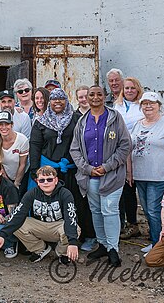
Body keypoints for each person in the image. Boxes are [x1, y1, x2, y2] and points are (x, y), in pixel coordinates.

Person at [69, 85, 131, 267]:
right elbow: (75, 149)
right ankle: (102, 244)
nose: (95, 98)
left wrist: (107, 166)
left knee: (110, 211)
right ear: (86, 98)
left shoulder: (114, 118)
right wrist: (87, 168)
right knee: (96, 211)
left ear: (105, 97)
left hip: (111, 176)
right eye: (91, 95)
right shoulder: (82, 122)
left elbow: (125, 145)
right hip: (89, 177)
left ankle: (113, 249)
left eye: (99, 94)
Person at [30, 88, 96, 251]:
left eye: (61, 99)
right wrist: (34, 169)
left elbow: (86, 142)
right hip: (49, 170)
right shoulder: (41, 121)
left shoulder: (77, 119)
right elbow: (35, 145)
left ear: (66, 101)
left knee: (77, 202)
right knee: (52, 205)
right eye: (54, 99)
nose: (57, 102)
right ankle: (54, 238)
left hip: (73, 170)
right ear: (49, 102)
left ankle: (87, 236)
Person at [0, 165, 80, 265]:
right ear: (37, 181)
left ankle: (63, 253)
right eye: (42, 180)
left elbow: (70, 217)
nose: (46, 183)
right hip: (39, 225)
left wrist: (72, 243)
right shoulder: (32, 193)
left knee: (75, 228)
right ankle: (40, 249)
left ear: (56, 180)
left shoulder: (65, 194)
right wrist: (2, 235)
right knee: (17, 223)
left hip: (58, 226)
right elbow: (18, 214)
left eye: (49, 179)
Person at [129, 92, 164, 253]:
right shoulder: (138, 124)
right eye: (145, 103)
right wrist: (129, 172)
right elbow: (130, 148)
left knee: (154, 210)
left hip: (159, 175)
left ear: (159, 105)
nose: (148, 106)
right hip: (140, 174)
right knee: (147, 210)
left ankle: (159, 245)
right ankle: (156, 240)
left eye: (152, 103)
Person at [114, 76, 144, 241]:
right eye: (127, 88)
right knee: (127, 189)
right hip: (122, 153)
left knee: (143, 189)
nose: (130, 91)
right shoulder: (117, 106)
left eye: (133, 88)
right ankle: (131, 224)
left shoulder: (142, 106)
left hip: (140, 151)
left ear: (138, 89)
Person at [0, 111, 29, 192]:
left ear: (12, 125)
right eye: (0, 124)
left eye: (7, 124)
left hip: (21, 175)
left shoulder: (22, 140)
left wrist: (16, 184)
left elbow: (22, 164)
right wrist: (8, 182)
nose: (4, 127)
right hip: (3, 176)